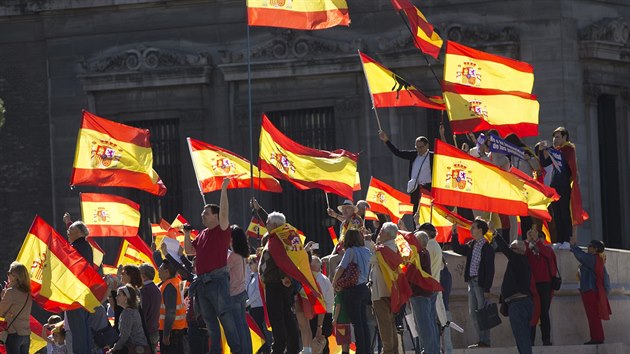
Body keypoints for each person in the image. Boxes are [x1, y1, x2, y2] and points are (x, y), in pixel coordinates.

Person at [183, 178, 242, 353]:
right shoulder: (202, 234)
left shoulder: (222, 229)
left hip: (217, 280)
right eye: (202, 212)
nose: (202, 214)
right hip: (202, 283)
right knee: (210, 323)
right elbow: (189, 251)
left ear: (216, 216)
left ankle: (237, 350)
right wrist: (186, 233)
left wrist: (223, 189)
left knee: (226, 318)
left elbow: (224, 212)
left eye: (206, 212)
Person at [538, 127, 587, 248]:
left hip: (564, 185)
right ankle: (560, 240)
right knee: (557, 214)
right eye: (554, 137)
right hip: (555, 185)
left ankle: (567, 240)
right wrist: (540, 150)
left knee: (565, 212)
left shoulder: (569, 149)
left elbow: (567, 163)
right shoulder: (556, 150)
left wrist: (549, 149)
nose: (555, 139)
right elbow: (545, 163)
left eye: (558, 137)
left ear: (565, 137)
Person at [258, 212, 299, 354]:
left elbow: (280, 258)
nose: (266, 225)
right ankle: (291, 348)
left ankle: (279, 348)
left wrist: (284, 277)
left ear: (275, 225)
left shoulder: (277, 238)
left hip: (276, 284)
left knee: (278, 318)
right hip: (278, 283)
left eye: (268, 222)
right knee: (287, 316)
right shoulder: (282, 236)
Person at [451, 218, 495, 348]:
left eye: (473, 227)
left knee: (482, 313)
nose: (471, 230)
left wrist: (487, 288)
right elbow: (457, 248)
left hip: (480, 284)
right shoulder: (472, 245)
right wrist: (454, 233)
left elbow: (490, 269)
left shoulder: (487, 247)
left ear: (480, 230)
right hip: (471, 283)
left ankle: (485, 341)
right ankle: (480, 340)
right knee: (474, 313)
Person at [332, 229, 372, 354]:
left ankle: (360, 350)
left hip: (352, 289)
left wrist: (334, 282)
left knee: (356, 323)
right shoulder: (367, 251)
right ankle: (367, 349)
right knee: (364, 321)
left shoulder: (350, 251)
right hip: (364, 287)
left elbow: (341, 268)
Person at [495, 236, 534, 354]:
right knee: (523, 339)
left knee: (523, 340)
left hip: (518, 305)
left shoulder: (518, 259)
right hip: (521, 304)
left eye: (512, 248)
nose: (510, 250)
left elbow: (505, 249)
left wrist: (495, 234)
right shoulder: (521, 262)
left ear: (517, 250)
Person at [569, 236, 611, 345]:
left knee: (593, 315)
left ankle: (597, 338)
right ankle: (596, 337)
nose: (588, 247)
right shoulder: (597, 259)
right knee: (592, 315)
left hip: (590, 290)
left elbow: (580, 256)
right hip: (592, 290)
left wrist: (573, 246)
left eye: (590, 246)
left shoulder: (592, 258)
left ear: (595, 249)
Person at [378, 130, 432, 213]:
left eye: (421, 147)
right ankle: (416, 226)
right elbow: (398, 152)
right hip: (415, 189)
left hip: (428, 189)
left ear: (427, 145)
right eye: (417, 147)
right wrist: (386, 141)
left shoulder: (433, 156)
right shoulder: (413, 155)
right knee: (415, 212)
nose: (419, 149)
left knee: (426, 211)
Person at [63, 218, 95, 353]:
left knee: (78, 331)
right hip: (84, 293)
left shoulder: (76, 248)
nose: (67, 233)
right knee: (83, 329)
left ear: (79, 233)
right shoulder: (84, 246)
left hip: (75, 294)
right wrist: (69, 224)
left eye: (70, 231)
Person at [417, 223, 450, 352]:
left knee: (425, 322)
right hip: (433, 286)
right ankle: (432, 349)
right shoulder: (435, 245)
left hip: (426, 287)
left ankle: (430, 349)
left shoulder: (429, 245)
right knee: (430, 320)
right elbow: (441, 266)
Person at [369, 222, 400, 354]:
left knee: (384, 324)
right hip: (390, 291)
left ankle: (387, 351)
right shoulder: (394, 248)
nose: (379, 233)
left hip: (380, 292)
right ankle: (393, 350)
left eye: (381, 231)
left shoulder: (382, 250)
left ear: (387, 234)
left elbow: (369, 259)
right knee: (390, 323)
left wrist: (367, 242)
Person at [408, 231, 440, 354]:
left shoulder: (421, 254)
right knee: (422, 324)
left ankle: (429, 351)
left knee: (424, 326)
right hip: (420, 293)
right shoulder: (422, 253)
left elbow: (413, 271)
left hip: (420, 293)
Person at [524, 227, 556, 346]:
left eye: (539, 238)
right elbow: (523, 254)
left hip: (545, 284)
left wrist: (537, 240)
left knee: (544, 312)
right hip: (532, 284)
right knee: (532, 313)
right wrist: (528, 240)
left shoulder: (547, 249)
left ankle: (546, 339)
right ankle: (530, 340)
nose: (536, 240)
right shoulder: (529, 249)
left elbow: (547, 254)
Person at [228, 225, 252, 354]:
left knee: (237, 326)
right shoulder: (242, 255)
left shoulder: (233, 256)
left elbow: (223, 271)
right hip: (241, 293)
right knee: (243, 325)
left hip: (233, 293)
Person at [0, 262, 32, 354]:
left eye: (9, 273)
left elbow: (0, 311)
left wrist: (4, 293)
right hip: (26, 334)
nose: (8, 275)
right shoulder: (28, 293)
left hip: (14, 334)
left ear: (15, 276)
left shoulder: (10, 292)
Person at [107, 284, 149, 354]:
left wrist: (113, 349)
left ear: (126, 297)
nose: (116, 297)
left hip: (135, 348)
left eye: (119, 295)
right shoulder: (132, 310)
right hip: (139, 347)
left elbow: (124, 336)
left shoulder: (127, 313)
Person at [158, 260, 187, 353]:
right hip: (178, 328)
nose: (158, 271)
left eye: (160, 269)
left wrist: (166, 335)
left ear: (167, 271)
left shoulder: (169, 286)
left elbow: (171, 312)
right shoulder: (178, 282)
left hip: (171, 331)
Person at [246, 255, 271, 354]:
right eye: (249, 264)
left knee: (259, 328)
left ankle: (265, 348)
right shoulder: (253, 276)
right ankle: (261, 348)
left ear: (257, 263)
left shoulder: (260, 276)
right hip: (253, 306)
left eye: (251, 263)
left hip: (258, 306)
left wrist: (247, 302)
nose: (250, 266)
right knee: (257, 328)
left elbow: (257, 293)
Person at [309, 256, 334, 354]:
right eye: (312, 262)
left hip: (324, 313)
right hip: (315, 313)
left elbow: (321, 301)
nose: (314, 264)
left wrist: (320, 324)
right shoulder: (312, 278)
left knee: (321, 339)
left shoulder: (322, 279)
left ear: (320, 265)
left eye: (316, 262)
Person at [139, 263, 161, 352]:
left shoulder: (144, 290)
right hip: (154, 330)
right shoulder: (156, 289)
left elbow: (142, 312)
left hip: (145, 332)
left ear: (143, 276)